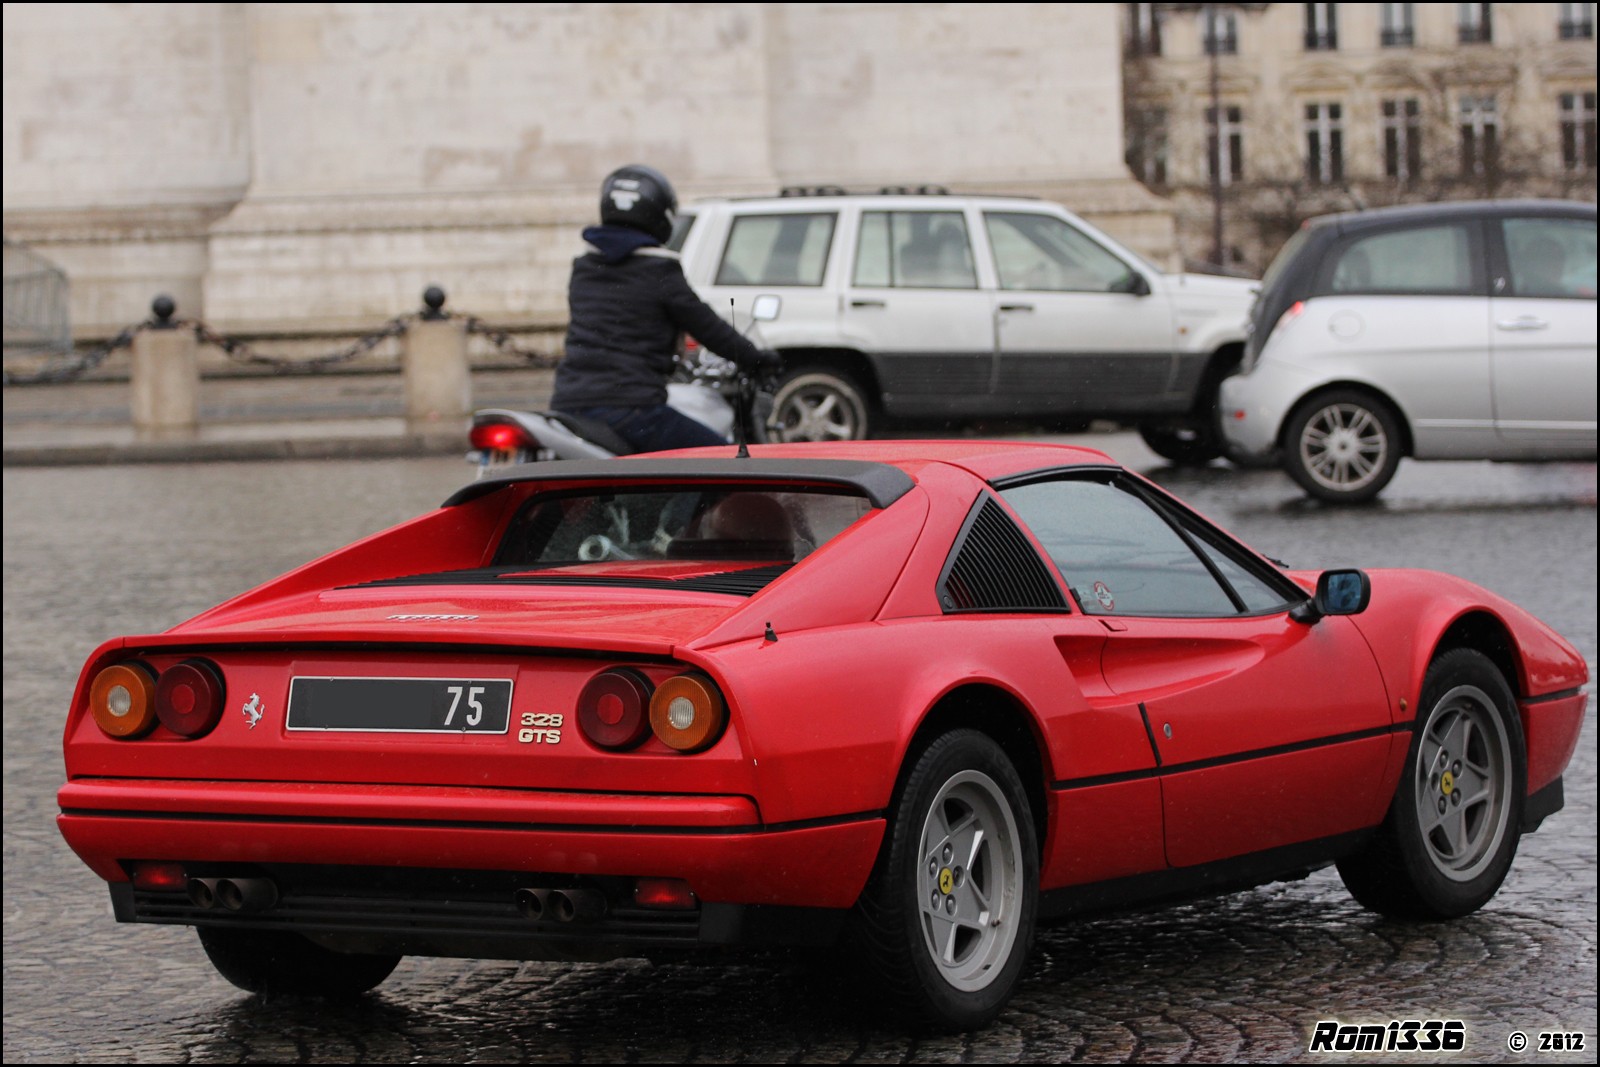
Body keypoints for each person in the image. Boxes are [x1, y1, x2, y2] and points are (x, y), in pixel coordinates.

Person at [550, 164, 782, 453]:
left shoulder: (584, 268)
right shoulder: (659, 270)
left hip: (567, 404)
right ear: (660, 215)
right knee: (723, 462)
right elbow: (707, 327)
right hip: (631, 408)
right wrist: (755, 358)